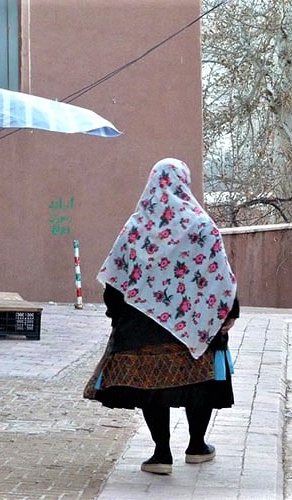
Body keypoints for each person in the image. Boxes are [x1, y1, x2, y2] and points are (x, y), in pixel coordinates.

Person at [84, 157, 239, 476]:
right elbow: (221, 276)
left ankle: (161, 453)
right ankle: (197, 446)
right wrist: (228, 314)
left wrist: (119, 317)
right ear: (185, 182)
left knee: (151, 385)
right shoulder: (201, 225)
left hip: (142, 328)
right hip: (196, 326)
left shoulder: (136, 227)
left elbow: (116, 279)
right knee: (201, 384)